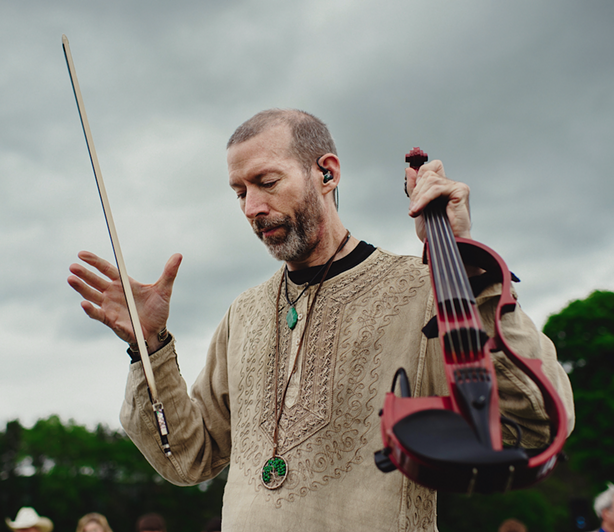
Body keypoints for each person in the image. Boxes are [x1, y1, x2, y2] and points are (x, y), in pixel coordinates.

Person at [68, 109, 575, 531]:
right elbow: (188, 458)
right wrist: (149, 346)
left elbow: (542, 419)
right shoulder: (243, 313)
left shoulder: (425, 289)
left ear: (326, 173)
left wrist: (460, 262)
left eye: (267, 182)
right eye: (239, 192)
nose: (252, 207)